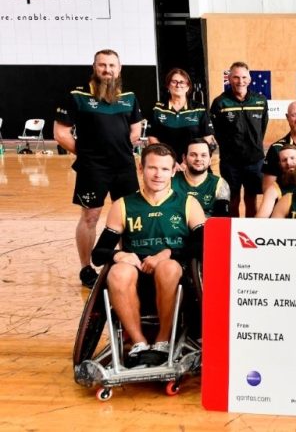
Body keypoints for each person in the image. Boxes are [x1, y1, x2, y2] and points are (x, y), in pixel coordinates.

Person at [89, 143, 206, 367]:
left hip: (176, 275)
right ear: (141, 169)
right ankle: (139, 342)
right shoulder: (123, 205)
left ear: (174, 171)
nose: (158, 174)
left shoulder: (188, 203)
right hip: (137, 274)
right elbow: (97, 254)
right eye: (152, 168)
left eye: (164, 169)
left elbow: (206, 244)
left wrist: (168, 253)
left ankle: (163, 339)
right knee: (118, 273)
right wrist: (118, 256)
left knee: (168, 267)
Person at [53, 49, 143, 288]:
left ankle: (129, 264)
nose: (107, 70)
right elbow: (60, 133)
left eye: (112, 65)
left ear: (119, 68)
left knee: (130, 216)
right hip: (93, 169)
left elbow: (136, 128)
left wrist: (122, 146)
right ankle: (86, 268)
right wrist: (87, 154)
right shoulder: (77, 96)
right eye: (102, 65)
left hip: (124, 166)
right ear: (94, 67)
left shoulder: (129, 96)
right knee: (90, 216)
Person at [210, 61, 269, 217]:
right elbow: (217, 131)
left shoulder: (260, 101)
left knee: (251, 199)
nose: (240, 81)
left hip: (254, 161)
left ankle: (249, 234)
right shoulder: (220, 102)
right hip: (230, 162)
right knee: (233, 200)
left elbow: (262, 128)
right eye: (236, 77)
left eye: (244, 77)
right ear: (229, 79)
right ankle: (235, 234)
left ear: (249, 79)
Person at [147, 68, 215, 163]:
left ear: (188, 86)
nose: (178, 85)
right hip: (166, 163)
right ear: (168, 85)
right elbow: (152, 138)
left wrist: (189, 161)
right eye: (174, 82)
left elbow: (207, 138)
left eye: (182, 82)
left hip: (194, 163)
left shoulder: (199, 109)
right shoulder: (157, 109)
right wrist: (170, 161)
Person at [172, 139, 231, 217]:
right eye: (193, 155)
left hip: (207, 228)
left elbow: (221, 221)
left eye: (203, 155)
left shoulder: (220, 184)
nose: (198, 159)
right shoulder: (170, 181)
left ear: (210, 159)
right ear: (184, 158)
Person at [256, 144, 296, 218]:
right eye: (284, 160)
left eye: (292, 158)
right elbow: (260, 219)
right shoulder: (274, 189)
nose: (288, 163)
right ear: (280, 165)